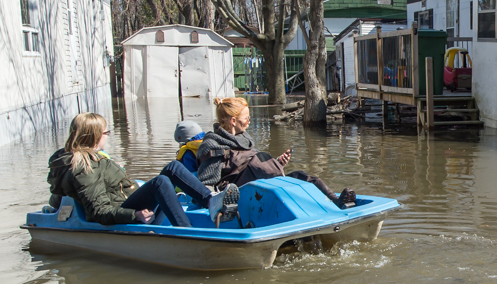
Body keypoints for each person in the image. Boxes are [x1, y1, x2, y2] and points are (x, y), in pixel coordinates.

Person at [48, 113, 240, 228]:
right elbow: (99, 211)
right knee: (160, 182)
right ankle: (188, 232)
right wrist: (135, 215)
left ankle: (210, 200)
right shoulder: (85, 166)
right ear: (95, 136)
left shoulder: (91, 159)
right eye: (106, 133)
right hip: (123, 214)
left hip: (124, 203)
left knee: (173, 168)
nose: (108, 136)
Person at [198, 97, 358, 207]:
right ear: (233, 121)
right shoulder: (213, 145)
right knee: (292, 186)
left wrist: (277, 163)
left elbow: (252, 165)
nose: (249, 121)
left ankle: (337, 202)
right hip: (247, 194)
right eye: (246, 118)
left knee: (303, 177)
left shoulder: (242, 139)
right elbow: (207, 184)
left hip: (267, 184)